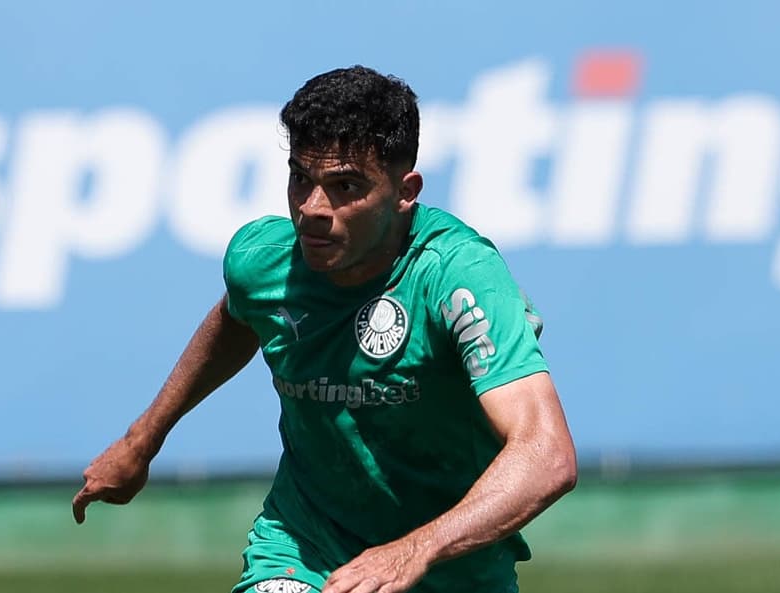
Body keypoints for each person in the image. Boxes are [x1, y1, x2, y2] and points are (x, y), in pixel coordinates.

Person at [73, 65, 577, 593]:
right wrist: (142, 440)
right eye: (301, 179)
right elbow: (237, 317)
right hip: (302, 545)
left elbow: (547, 455)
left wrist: (411, 552)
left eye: (345, 187)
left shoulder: (457, 276)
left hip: (451, 569)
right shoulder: (262, 262)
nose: (313, 209)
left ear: (405, 192)